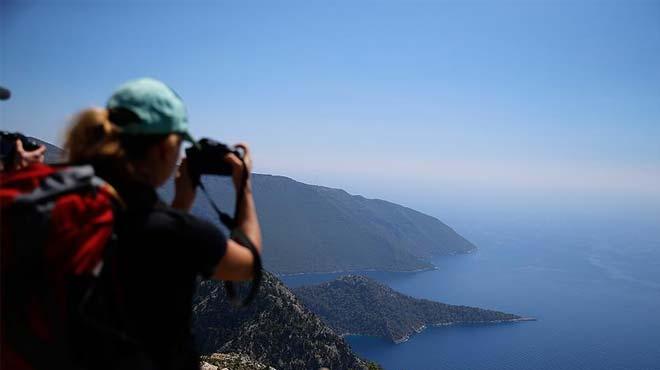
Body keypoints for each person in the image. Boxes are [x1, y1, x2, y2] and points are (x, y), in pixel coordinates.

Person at [62, 78, 262, 370]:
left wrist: (181, 201)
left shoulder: (74, 205)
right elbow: (247, 264)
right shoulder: (174, 233)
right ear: (164, 150)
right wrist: (243, 187)